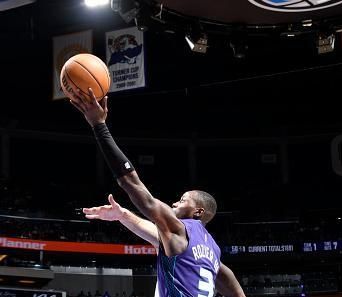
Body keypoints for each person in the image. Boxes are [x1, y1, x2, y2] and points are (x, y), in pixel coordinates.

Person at [69, 89, 245, 297]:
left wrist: (99, 126)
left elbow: (132, 184)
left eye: (182, 200)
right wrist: (122, 215)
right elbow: (154, 233)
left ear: (198, 212)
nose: (175, 203)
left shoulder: (180, 230)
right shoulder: (213, 252)